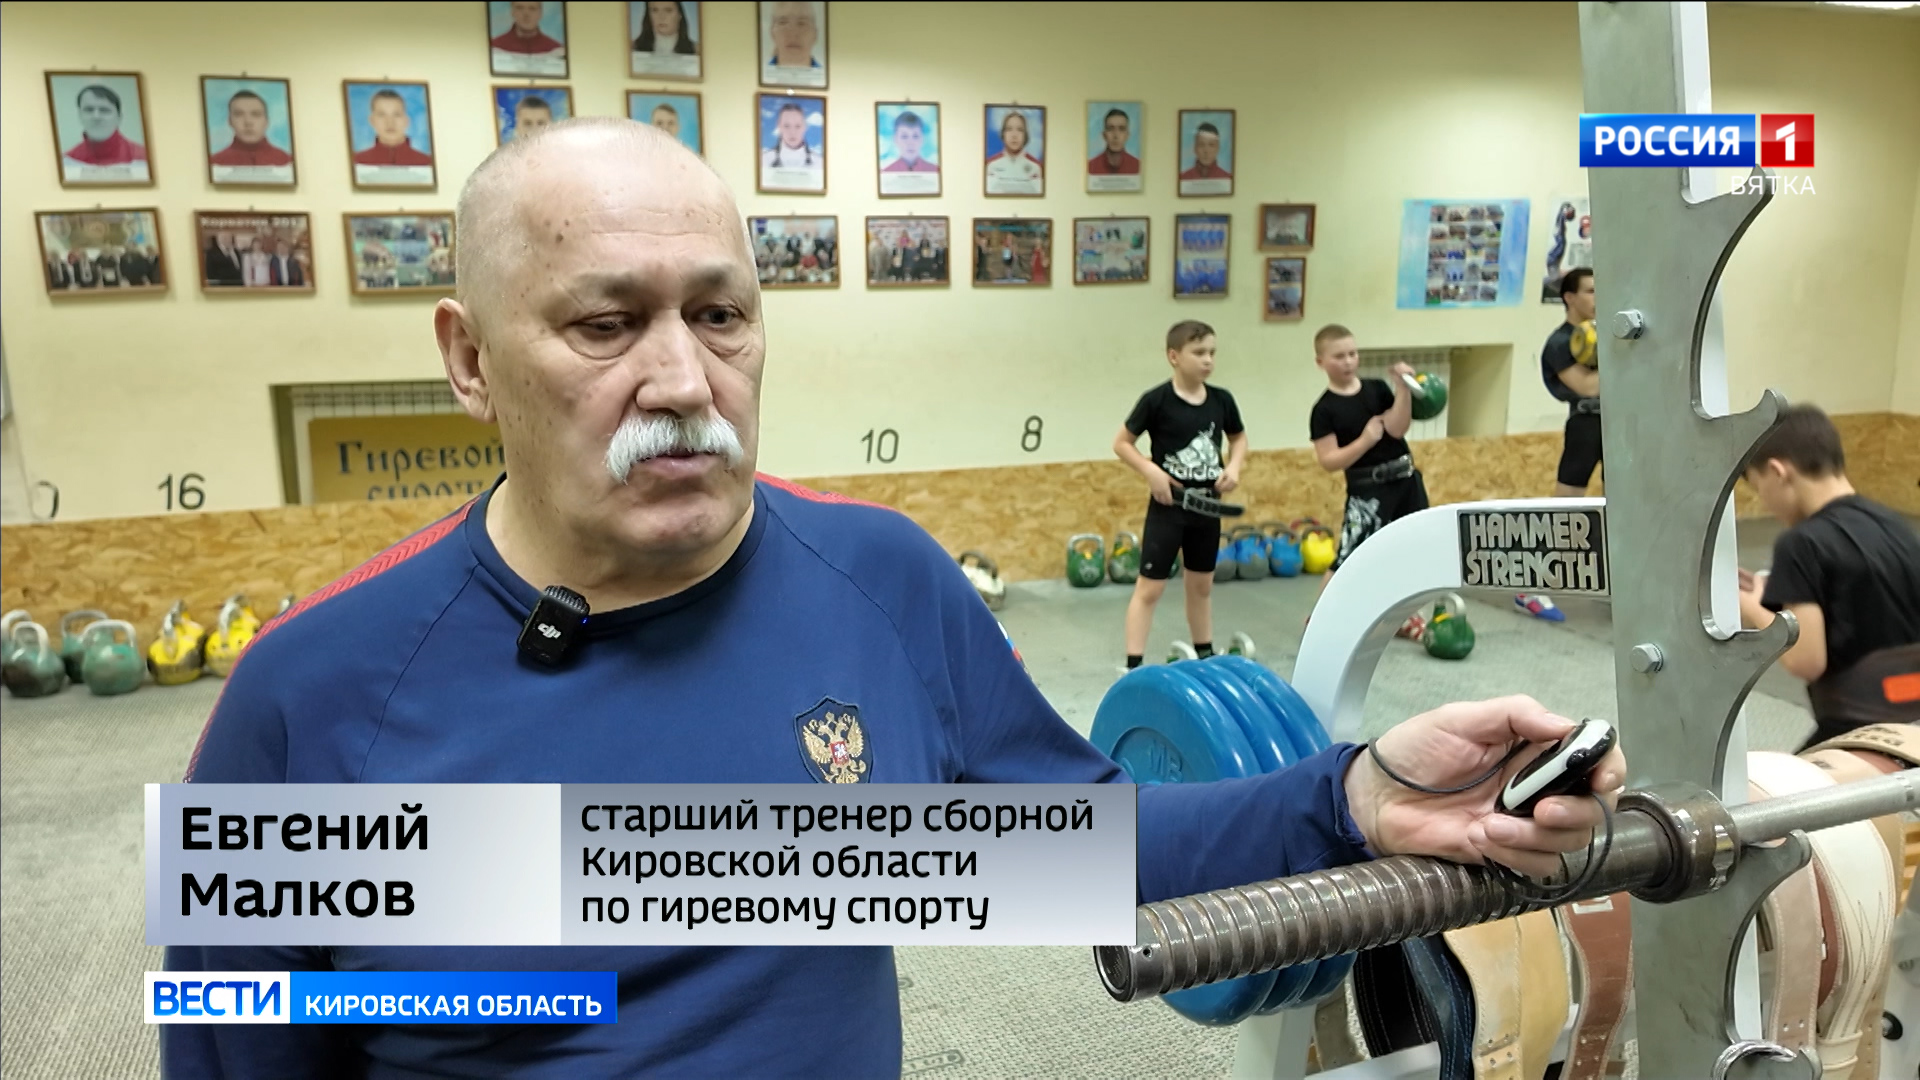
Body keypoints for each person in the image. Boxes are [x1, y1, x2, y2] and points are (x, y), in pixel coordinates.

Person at [161, 119, 1619, 1077]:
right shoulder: (313, 699)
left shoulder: (879, 584)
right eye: (605, 323)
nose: (680, 379)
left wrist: (1355, 795)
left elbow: (1075, 853)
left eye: (719, 315)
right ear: (469, 358)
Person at [1739, 404, 1920, 747]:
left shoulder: (1800, 543)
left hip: (1861, 726)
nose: (1765, 504)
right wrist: (1773, 590)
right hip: (1912, 716)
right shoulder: (1893, 524)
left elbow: (1805, 660)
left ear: (1778, 472)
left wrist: (1749, 607)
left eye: (1760, 488)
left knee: (1776, 782)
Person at [1114, 320, 1247, 670]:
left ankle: (1205, 652)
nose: (1208, 360)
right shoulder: (1156, 400)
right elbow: (1122, 444)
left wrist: (1234, 467)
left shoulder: (1221, 400)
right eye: (1199, 352)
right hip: (1168, 508)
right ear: (1174, 356)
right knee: (1151, 588)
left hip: (1208, 508)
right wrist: (1151, 471)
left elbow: (1238, 438)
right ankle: (1133, 665)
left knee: (1201, 585)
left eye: (1212, 353)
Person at [1309, 324, 1427, 635]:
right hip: (1368, 490)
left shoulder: (1376, 389)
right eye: (1339, 356)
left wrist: (1402, 389)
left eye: (1352, 354)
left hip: (1405, 480)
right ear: (1321, 362)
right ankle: (1319, 620)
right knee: (1349, 556)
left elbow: (1397, 428)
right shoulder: (1324, 409)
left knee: (1410, 550)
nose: (1348, 361)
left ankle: (1403, 617)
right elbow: (1328, 460)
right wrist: (1364, 440)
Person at [1515, 268, 1603, 623]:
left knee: (1623, 508)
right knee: (1567, 510)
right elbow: (1588, 387)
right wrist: (1625, 358)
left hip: (1619, 427)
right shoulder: (1559, 343)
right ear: (1569, 297)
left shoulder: (1608, 333)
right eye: (1590, 291)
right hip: (1586, 425)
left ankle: (1620, 586)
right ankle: (1530, 585)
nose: (1598, 297)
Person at [64, 84, 148, 167]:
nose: (96, 116)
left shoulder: (144, 158)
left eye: (104, 110)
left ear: (119, 117)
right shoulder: (67, 161)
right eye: (89, 110)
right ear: (80, 115)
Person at [208, 89, 292, 167]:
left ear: (266, 121)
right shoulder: (214, 163)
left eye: (256, 114)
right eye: (239, 114)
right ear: (230, 121)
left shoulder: (287, 162)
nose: (248, 122)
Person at [353, 89, 433, 167]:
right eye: (381, 115)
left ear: (406, 121)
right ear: (372, 121)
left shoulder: (427, 163)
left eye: (397, 115)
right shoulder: (357, 162)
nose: (390, 122)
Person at [985, 110, 1042, 191]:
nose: (1014, 135)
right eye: (1009, 129)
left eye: (1020, 129)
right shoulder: (990, 165)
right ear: (1003, 133)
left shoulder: (1036, 166)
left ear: (1025, 134)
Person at [759, 101, 819, 172]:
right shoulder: (764, 160)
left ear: (805, 126)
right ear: (779, 126)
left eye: (798, 126)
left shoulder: (819, 162)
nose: (792, 132)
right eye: (787, 126)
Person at [491, 0, 563, 56]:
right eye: (520, 8)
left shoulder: (555, 50)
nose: (526, 14)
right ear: (512, 12)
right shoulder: (495, 47)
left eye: (532, 8)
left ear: (540, 13)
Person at [766, 0, 820, 68]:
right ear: (772, 33)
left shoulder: (828, 73)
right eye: (783, 23)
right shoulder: (759, 72)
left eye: (802, 23)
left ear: (815, 34)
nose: (793, 34)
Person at [632, 0, 697, 54]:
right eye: (655, 10)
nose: (661, 17)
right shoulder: (631, 48)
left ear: (679, 15)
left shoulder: (697, 50)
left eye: (668, 10)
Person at [1088, 108, 1139, 175]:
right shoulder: (1090, 167)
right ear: (1104, 135)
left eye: (1121, 129)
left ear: (1127, 135)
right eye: (1110, 129)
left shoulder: (1138, 166)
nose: (1116, 135)